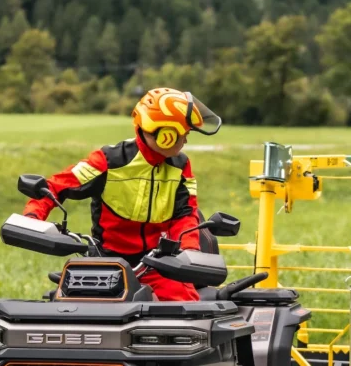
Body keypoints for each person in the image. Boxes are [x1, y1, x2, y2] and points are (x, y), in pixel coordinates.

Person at [23, 87, 222, 301]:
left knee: (188, 307)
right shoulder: (108, 161)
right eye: (185, 134)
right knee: (78, 307)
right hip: (107, 262)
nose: (186, 141)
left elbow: (186, 214)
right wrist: (32, 219)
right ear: (167, 135)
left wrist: (190, 253)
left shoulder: (181, 166)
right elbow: (55, 187)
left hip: (158, 264)